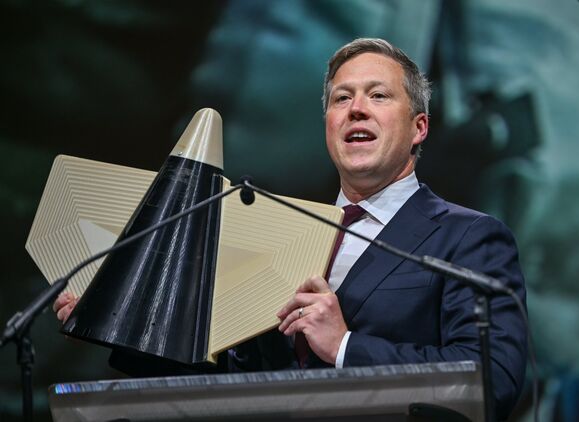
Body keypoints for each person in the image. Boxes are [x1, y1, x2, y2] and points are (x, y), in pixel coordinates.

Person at [54, 38, 528, 419]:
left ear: (419, 128)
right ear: (328, 125)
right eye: (342, 98)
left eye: (378, 95)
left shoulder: (469, 238)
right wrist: (111, 322)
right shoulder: (283, 231)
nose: (356, 109)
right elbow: (229, 376)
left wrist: (344, 346)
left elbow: (492, 381)